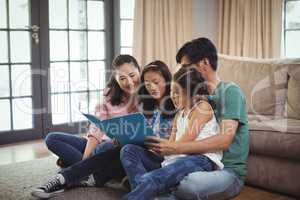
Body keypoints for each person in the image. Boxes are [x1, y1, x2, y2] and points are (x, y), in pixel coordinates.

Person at [31, 60, 177, 199]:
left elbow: (174, 142)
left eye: (155, 82)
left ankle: (74, 175)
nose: (151, 87)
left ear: (167, 81)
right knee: (116, 150)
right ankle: (62, 179)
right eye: (148, 83)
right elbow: (98, 128)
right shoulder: (146, 105)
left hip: (154, 155)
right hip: (121, 147)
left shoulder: (174, 105)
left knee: (120, 150)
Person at [148, 37, 249, 200]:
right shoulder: (195, 97)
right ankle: (156, 188)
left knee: (189, 185)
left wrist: (176, 148)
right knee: (142, 158)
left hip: (227, 172)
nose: (183, 71)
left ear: (204, 63)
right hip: (193, 163)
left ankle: (153, 188)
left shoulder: (231, 92)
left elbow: (224, 140)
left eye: (186, 66)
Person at [121, 67, 223, 200]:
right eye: (171, 92)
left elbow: (184, 143)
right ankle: (148, 193)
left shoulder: (202, 107)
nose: (173, 96)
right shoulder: (179, 114)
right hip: (176, 157)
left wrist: (166, 147)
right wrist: (154, 146)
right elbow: (172, 146)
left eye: (177, 93)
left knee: (151, 178)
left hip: (200, 159)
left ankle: (144, 191)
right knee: (129, 150)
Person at [45, 55, 140, 168]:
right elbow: (96, 129)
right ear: (116, 79)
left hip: (118, 149)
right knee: (52, 139)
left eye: (132, 75)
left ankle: (76, 164)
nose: (128, 82)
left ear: (139, 70)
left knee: (108, 148)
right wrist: (86, 158)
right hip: (99, 144)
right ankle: (87, 167)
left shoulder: (149, 94)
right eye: (122, 78)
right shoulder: (109, 95)